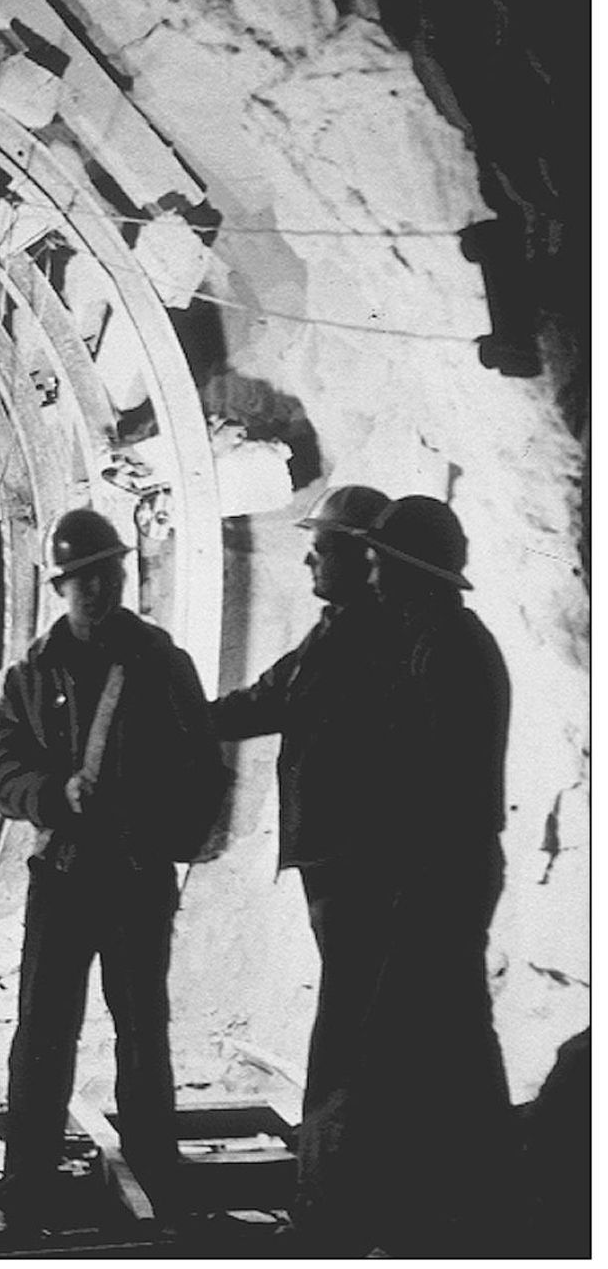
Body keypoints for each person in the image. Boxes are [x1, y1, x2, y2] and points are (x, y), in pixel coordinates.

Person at [0, 507, 227, 1239]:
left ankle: (157, 1181)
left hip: (134, 877)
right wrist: (54, 793)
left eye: (105, 574)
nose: (94, 588)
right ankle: (23, 1197)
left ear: (121, 577)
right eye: (80, 578)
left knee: (142, 1033)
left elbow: (202, 765)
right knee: (42, 1036)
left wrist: (168, 839)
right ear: (62, 586)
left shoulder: (160, 662)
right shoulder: (33, 670)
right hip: (61, 876)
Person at [208, 483, 395, 1251]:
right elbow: (264, 700)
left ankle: (333, 1204)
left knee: (352, 1028)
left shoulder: (376, 640)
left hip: (360, 865)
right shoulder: (336, 632)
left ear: (363, 557)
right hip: (333, 862)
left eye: (323, 544)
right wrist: (179, 714)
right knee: (353, 1022)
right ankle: (335, 1190)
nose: (310, 554)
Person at [353, 494, 515, 1255]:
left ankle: (452, 1207)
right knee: (448, 1026)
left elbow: (437, 784)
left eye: (380, 563)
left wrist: (404, 875)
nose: (372, 576)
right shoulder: (438, 639)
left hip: (443, 868)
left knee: (418, 1031)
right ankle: (471, 1194)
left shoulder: (447, 650)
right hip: (446, 864)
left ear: (412, 574)